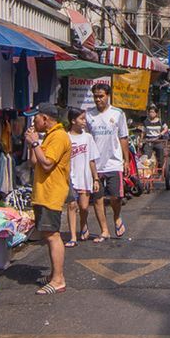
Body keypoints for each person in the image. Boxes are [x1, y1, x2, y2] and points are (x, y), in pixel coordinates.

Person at [26, 103, 71, 294]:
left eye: (35, 117)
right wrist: (32, 144)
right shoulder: (50, 136)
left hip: (52, 193)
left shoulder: (59, 136)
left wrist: (36, 143)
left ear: (45, 118)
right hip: (43, 193)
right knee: (47, 234)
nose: (33, 121)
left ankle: (58, 279)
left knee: (52, 235)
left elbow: (47, 164)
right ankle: (55, 274)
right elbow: (34, 161)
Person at [86, 84, 135, 240]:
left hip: (114, 162)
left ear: (108, 96)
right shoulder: (88, 115)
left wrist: (126, 161)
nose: (98, 99)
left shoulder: (118, 114)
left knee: (116, 197)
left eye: (101, 96)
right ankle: (104, 230)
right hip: (95, 164)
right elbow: (85, 139)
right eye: (95, 96)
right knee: (98, 198)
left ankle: (117, 217)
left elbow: (123, 137)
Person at [65, 109, 98, 247]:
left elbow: (91, 160)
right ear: (73, 121)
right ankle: (73, 236)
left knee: (84, 207)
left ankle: (83, 224)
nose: (84, 122)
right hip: (70, 177)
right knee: (72, 205)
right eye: (82, 119)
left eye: (85, 119)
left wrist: (95, 178)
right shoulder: (65, 137)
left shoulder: (88, 138)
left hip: (85, 177)